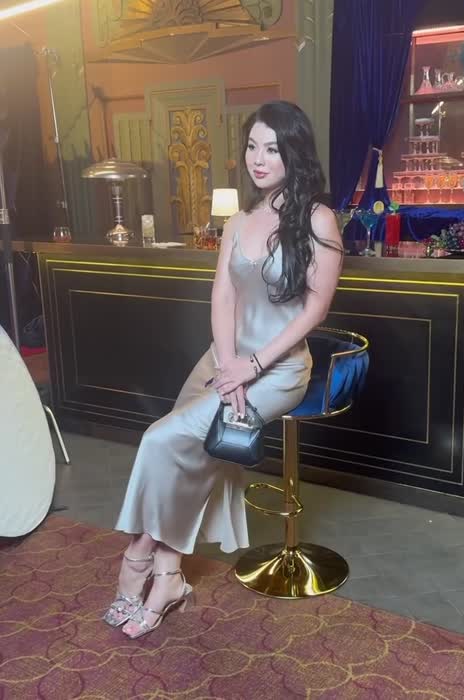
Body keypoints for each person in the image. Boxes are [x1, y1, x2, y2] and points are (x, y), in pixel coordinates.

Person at [104, 100, 343, 638]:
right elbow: (223, 296)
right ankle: (169, 577)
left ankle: (138, 556)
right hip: (224, 358)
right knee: (186, 454)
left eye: (272, 149)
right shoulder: (238, 220)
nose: (258, 159)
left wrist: (252, 367)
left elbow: (315, 309)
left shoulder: (318, 219)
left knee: (162, 441)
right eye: (252, 146)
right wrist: (229, 361)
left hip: (278, 370)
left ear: (294, 153)